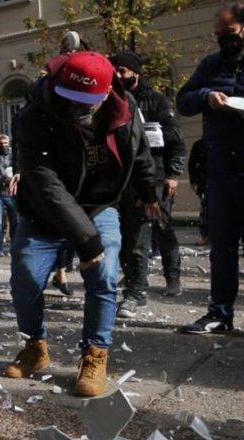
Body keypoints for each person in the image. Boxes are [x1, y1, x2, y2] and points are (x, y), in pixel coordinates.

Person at [4, 51, 159, 397]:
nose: (76, 111)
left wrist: (149, 191)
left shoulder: (125, 107)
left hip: (98, 206)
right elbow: (46, 184)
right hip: (43, 211)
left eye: (85, 103)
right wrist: (87, 241)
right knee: (26, 278)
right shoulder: (33, 116)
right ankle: (35, 347)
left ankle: (94, 353)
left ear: (106, 93)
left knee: (103, 276)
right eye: (69, 100)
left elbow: (140, 150)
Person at [177, 3, 244, 343]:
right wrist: (205, 97)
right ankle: (219, 313)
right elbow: (183, 99)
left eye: (228, 34)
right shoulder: (211, 64)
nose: (223, 41)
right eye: (218, 36)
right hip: (222, 171)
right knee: (223, 247)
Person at [109, 51, 187, 319]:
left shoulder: (157, 101)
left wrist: (173, 175)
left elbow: (176, 139)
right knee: (127, 235)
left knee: (159, 231)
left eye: (123, 70)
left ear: (135, 72)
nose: (117, 75)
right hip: (124, 181)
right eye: (114, 69)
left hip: (155, 177)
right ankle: (135, 284)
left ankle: (167, 278)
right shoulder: (111, 100)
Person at [188, 138, 209, 245]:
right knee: (206, 210)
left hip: (209, 180)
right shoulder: (200, 144)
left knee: (207, 210)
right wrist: (194, 181)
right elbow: (192, 163)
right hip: (204, 181)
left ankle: (206, 235)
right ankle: (205, 235)